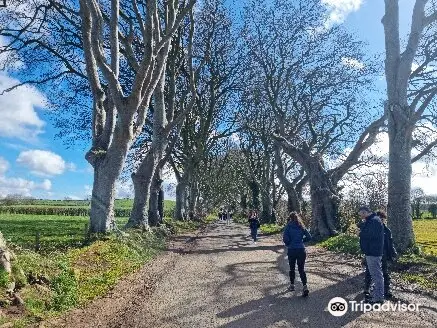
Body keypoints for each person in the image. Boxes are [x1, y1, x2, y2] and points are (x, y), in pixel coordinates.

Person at [363, 210, 397, 300]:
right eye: (379, 219)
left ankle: (386, 291)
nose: (381, 221)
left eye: (382, 219)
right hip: (372, 254)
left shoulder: (387, 231)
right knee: (369, 272)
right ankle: (367, 289)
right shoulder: (370, 229)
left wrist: (393, 253)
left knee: (385, 273)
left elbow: (390, 243)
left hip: (383, 255)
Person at [358, 206, 385, 304]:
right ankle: (376, 295)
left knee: (376, 275)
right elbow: (368, 231)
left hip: (373, 252)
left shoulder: (374, 221)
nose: (361, 217)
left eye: (361, 215)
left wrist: (360, 233)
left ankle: (378, 298)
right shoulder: (372, 220)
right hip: (371, 252)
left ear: (365, 213)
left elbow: (371, 235)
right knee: (375, 275)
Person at [282, 212, 312, 297]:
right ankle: (305, 286)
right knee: (301, 269)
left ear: (290, 218)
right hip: (301, 250)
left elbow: (285, 238)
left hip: (292, 250)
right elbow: (309, 237)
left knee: (292, 268)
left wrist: (289, 244)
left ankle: (292, 285)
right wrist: (302, 241)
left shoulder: (288, 226)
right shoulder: (301, 226)